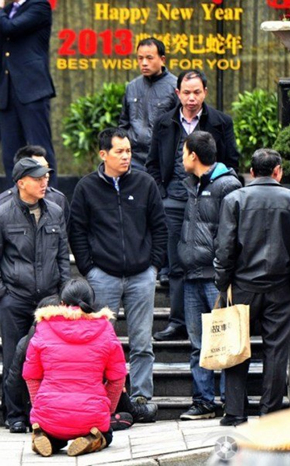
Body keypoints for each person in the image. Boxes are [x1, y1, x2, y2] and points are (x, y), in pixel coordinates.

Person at [69, 127, 165, 419]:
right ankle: (103, 397)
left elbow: (159, 227)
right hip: (103, 276)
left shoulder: (145, 184)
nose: (126, 157)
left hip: (141, 275)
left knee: (142, 341)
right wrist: (89, 269)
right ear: (103, 154)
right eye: (119, 151)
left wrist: (153, 265)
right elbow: (77, 231)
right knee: (100, 343)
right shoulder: (86, 187)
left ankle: (140, 397)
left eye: (129, 151)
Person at [214, 149, 290, 426]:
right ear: (278, 171)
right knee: (276, 351)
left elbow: (225, 248)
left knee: (235, 346)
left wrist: (223, 282)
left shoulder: (235, 199)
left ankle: (235, 412)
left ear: (252, 172)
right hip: (281, 286)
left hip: (242, 285)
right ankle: (269, 413)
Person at [147, 70, 240, 342]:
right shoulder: (164, 122)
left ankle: (215, 320)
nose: (191, 98)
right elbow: (152, 163)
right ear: (177, 93)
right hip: (174, 201)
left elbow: (232, 160)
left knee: (213, 258)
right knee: (177, 263)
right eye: (186, 92)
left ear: (205, 92)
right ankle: (178, 321)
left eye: (197, 92)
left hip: (211, 199)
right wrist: (162, 193)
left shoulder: (221, 121)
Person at [0, 157, 70, 433]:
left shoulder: (55, 211)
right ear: (21, 183)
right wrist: (2, 294)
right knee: (14, 360)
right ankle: (15, 414)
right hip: (15, 300)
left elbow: (62, 256)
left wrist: (63, 292)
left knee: (49, 359)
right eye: (38, 178)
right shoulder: (1, 214)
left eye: (45, 177)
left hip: (49, 300)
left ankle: (43, 412)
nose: (44, 182)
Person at [176, 131, 241, 421]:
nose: (181, 158)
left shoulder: (228, 185)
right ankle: (203, 401)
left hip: (217, 277)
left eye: (184, 152)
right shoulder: (191, 182)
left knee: (225, 340)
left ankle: (230, 401)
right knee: (197, 343)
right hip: (191, 274)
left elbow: (232, 232)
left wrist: (223, 269)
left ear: (193, 155)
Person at [23, 279, 127, 457]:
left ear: (62, 303)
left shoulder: (44, 327)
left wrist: (40, 405)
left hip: (49, 414)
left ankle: (44, 435)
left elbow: (31, 375)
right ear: (91, 303)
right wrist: (106, 410)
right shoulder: (105, 329)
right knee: (107, 433)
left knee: (55, 431)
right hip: (91, 415)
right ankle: (93, 439)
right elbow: (117, 378)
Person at [0, 0, 58, 186]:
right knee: (10, 153)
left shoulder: (39, 6)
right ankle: (16, 198)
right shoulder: (8, 11)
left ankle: (50, 197)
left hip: (32, 88)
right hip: (7, 90)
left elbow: (11, 28)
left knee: (40, 149)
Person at [118, 37, 178, 171]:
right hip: (133, 159)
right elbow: (124, 123)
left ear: (162, 60)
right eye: (140, 58)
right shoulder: (132, 87)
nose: (144, 63)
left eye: (149, 58)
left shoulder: (175, 87)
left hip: (161, 158)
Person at [0, 145, 70, 221]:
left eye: (47, 168)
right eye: (40, 171)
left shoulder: (58, 200)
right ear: (21, 181)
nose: (47, 175)